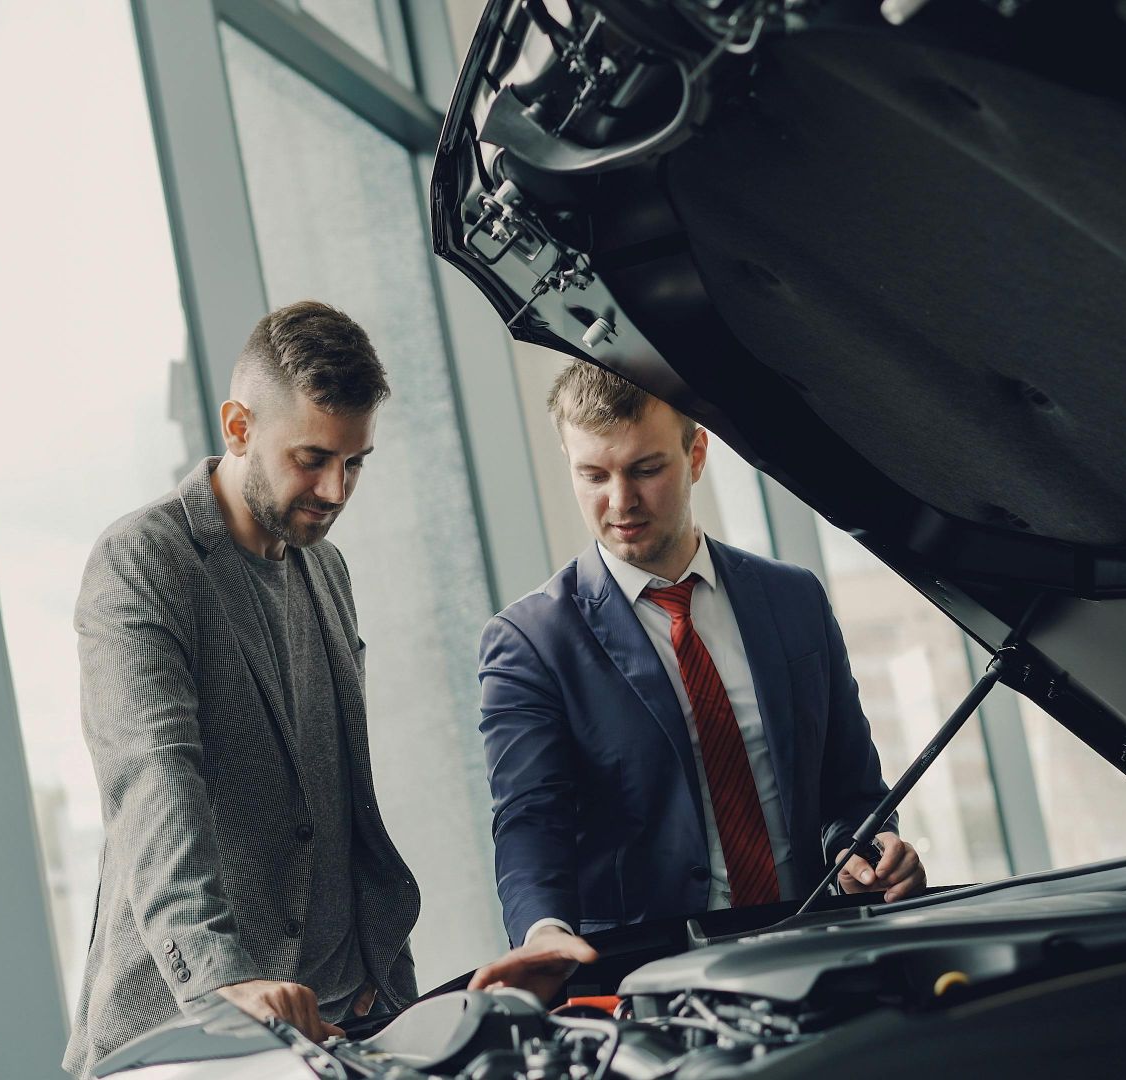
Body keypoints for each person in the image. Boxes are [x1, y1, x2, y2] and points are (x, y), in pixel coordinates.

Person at [467, 362, 925, 999]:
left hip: (819, 955)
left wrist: (872, 847)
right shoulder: (530, 642)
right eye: (593, 475)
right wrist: (543, 929)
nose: (620, 501)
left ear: (697, 453)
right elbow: (529, 817)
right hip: (653, 983)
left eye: (645, 469)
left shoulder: (793, 599)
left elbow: (850, 789)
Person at [63, 301, 419, 1077]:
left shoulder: (326, 568)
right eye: (312, 457)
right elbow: (152, 779)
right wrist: (221, 981)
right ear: (238, 426)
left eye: (355, 462)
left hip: (345, 1022)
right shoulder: (144, 561)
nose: (335, 489)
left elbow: (335, 795)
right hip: (197, 1038)